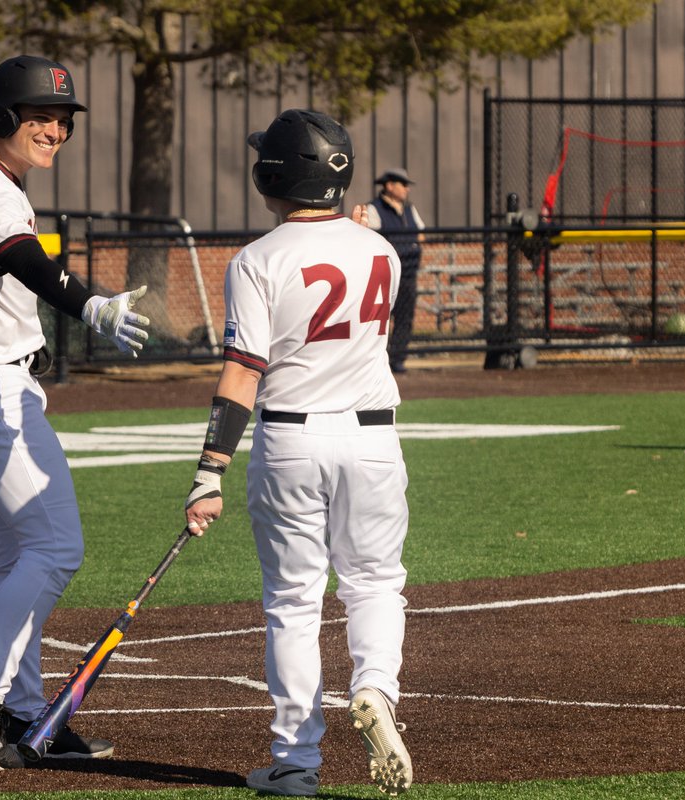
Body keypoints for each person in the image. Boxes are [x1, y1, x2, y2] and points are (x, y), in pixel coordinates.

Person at [0, 55, 150, 771]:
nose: (54, 128)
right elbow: (22, 258)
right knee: (56, 550)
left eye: (63, 119)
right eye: (41, 116)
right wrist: (89, 304)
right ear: (4, 118)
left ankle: (23, 715)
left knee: (18, 555)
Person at [182, 110, 413, 797]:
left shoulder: (258, 260)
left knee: (293, 602)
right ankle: (375, 688)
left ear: (272, 176)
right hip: (372, 436)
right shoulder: (384, 252)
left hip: (291, 438)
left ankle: (295, 763)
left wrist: (209, 472)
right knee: (375, 583)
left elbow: (241, 374)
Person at [351, 168, 425, 373]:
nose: (407, 189)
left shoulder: (409, 209)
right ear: (389, 185)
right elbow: (373, 239)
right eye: (403, 184)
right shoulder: (374, 208)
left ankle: (398, 360)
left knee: (405, 318)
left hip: (408, 272)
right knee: (377, 318)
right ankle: (373, 361)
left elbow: (421, 234)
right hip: (385, 274)